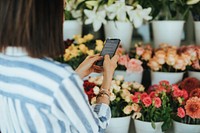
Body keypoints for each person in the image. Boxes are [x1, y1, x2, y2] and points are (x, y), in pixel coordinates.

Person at [0, 0, 119, 133]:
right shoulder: (59, 79)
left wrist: (76, 75)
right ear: (48, 18)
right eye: (62, 11)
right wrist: (106, 84)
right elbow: (95, 129)